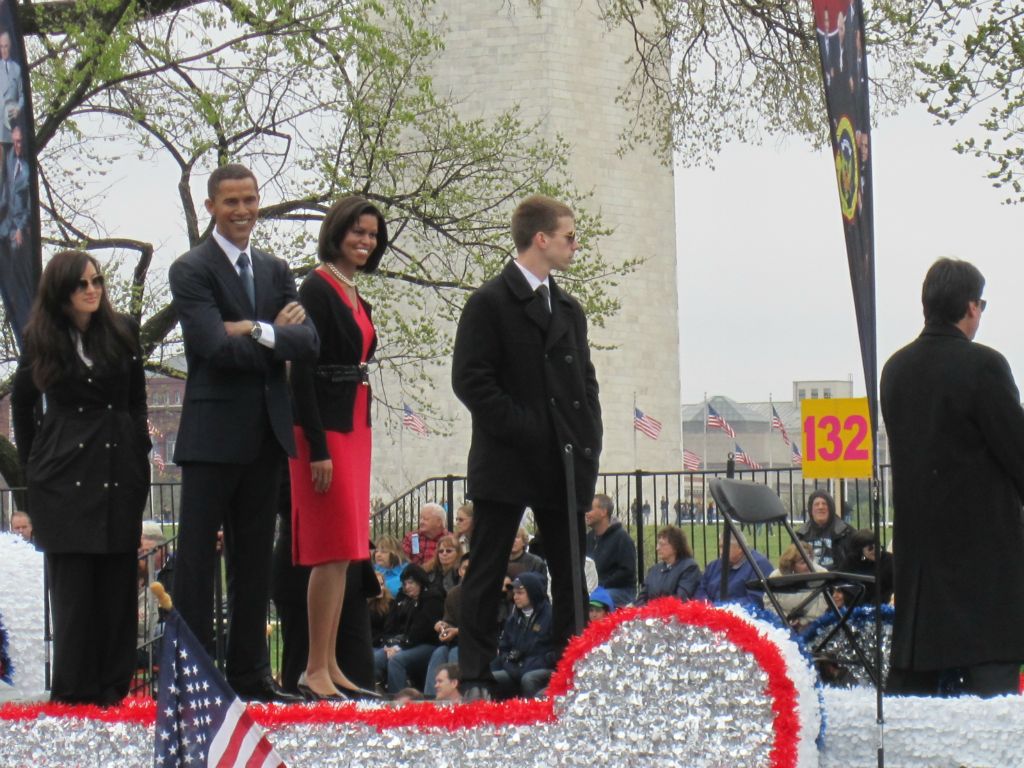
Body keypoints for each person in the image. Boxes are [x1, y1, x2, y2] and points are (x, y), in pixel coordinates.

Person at [168, 163, 318, 703]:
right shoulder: (192, 269)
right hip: (211, 439)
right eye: (230, 201)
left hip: (265, 437)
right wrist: (278, 334)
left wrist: (253, 328)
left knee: (255, 563)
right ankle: (194, 679)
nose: (242, 211)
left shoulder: (276, 269)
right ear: (211, 206)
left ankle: (250, 676)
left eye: (250, 199)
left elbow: (311, 344)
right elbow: (213, 348)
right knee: (196, 567)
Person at [452, 194, 602, 700]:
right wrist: (526, 428)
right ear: (541, 239)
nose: (575, 245)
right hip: (508, 457)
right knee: (488, 565)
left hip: (562, 461)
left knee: (568, 566)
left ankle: (571, 666)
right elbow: (471, 381)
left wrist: (587, 438)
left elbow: (585, 382)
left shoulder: (568, 309)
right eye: (568, 236)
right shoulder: (490, 302)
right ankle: (474, 675)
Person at [11, 250, 151, 705]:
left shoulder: (124, 331)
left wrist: (136, 446)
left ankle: (115, 691)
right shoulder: (42, 339)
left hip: (116, 466)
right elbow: (22, 402)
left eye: (97, 281)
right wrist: (33, 464)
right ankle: (73, 694)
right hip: (62, 473)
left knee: (116, 587)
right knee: (73, 593)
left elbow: (136, 400)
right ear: (62, 293)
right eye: (81, 285)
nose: (93, 291)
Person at [880, 258, 1024, 697]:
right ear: (971, 307)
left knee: (915, 698)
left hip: (920, 563)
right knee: (992, 703)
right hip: (982, 561)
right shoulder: (984, 366)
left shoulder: (895, 370)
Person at [287, 194, 386, 699]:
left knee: (348, 550)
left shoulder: (354, 292)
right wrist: (319, 446)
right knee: (329, 550)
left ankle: (329, 665)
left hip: (355, 425)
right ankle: (313, 668)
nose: (365, 241)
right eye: (357, 232)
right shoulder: (317, 288)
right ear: (337, 232)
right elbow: (300, 371)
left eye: (371, 234)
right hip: (323, 431)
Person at [373, 563, 444, 694]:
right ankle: (378, 693)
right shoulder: (409, 601)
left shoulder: (432, 599)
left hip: (428, 644)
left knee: (396, 661)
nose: (407, 587)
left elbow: (422, 632)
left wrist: (399, 648)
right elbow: (398, 629)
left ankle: (399, 699)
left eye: (411, 583)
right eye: (405, 584)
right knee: (376, 658)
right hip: (406, 643)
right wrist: (391, 645)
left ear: (420, 581)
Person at [491, 572, 557, 699]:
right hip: (515, 669)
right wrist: (511, 665)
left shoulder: (551, 616)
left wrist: (526, 666)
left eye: (520, 593)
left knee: (529, 679)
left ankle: (533, 716)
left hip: (544, 668)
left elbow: (555, 653)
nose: (515, 597)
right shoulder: (513, 619)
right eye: (514, 593)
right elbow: (504, 649)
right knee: (492, 678)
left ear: (533, 593)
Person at [585, 494, 637, 606]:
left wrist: (600, 585)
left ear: (603, 512)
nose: (586, 513)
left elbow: (626, 572)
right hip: (593, 589)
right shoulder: (588, 538)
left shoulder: (622, 538)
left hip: (620, 590)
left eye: (590, 509)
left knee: (594, 601)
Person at [694, 535, 772, 608]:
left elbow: (756, 599)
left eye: (724, 547)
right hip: (709, 615)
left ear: (740, 547)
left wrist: (722, 608)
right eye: (720, 547)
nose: (721, 552)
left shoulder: (758, 565)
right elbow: (700, 590)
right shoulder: (713, 566)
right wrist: (709, 606)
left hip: (743, 618)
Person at [634, 525, 701, 605]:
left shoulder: (689, 568)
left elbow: (681, 598)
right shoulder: (654, 570)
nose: (657, 548)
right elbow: (641, 598)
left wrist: (656, 609)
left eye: (662, 544)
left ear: (675, 547)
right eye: (658, 544)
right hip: (649, 615)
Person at [768, 543, 829, 630]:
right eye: (803, 562)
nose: (808, 565)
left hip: (814, 625)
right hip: (782, 625)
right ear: (791, 564)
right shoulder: (777, 576)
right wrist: (784, 618)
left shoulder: (821, 573)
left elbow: (824, 604)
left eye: (810, 560)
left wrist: (803, 622)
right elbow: (769, 603)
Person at [795, 490, 853, 570]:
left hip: (838, 579)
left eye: (824, 504)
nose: (820, 507)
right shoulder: (800, 534)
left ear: (831, 508)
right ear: (811, 509)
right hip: (809, 579)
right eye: (816, 504)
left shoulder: (846, 532)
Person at [835, 529, 894, 607]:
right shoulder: (851, 562)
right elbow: (840, 582)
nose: (875, 550)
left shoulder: (888, 561)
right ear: (860, 551)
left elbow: (895, 587)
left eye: (878, 545)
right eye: (870, 548)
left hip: (882, 608)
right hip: (855, 607)